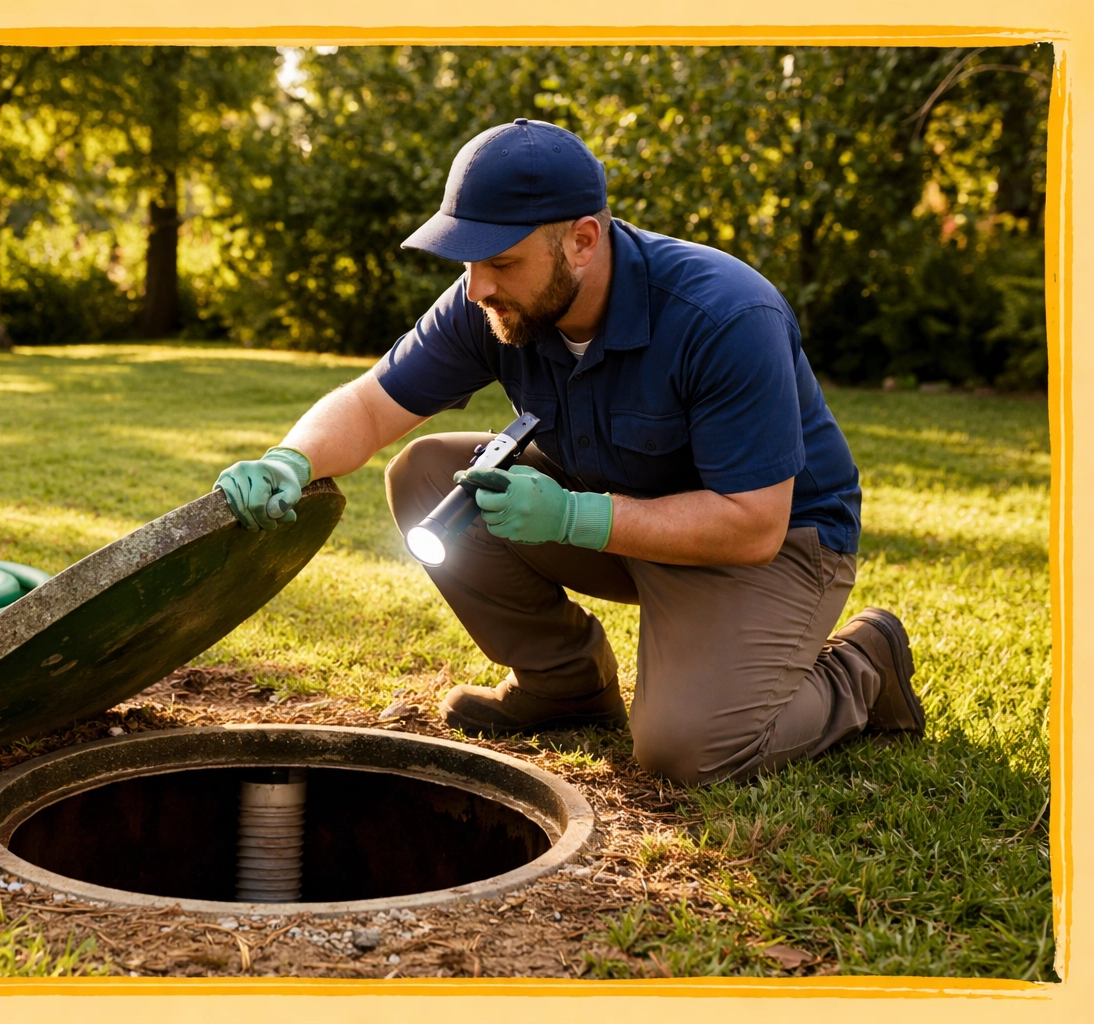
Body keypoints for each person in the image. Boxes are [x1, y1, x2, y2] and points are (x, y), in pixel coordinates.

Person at [214, 118, 924, 786]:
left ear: (582, 240)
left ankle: (864, 665)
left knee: (688, 750)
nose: (476, 286)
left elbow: (754, 524)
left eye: (500, 260)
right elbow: (372, 404)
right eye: (467, 261)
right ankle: (565, 689)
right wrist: (291, 460)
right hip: (612, 510)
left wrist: (573, 517)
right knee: (429, 477)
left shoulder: (726, 315)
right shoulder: (490, 302)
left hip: (772, 545)